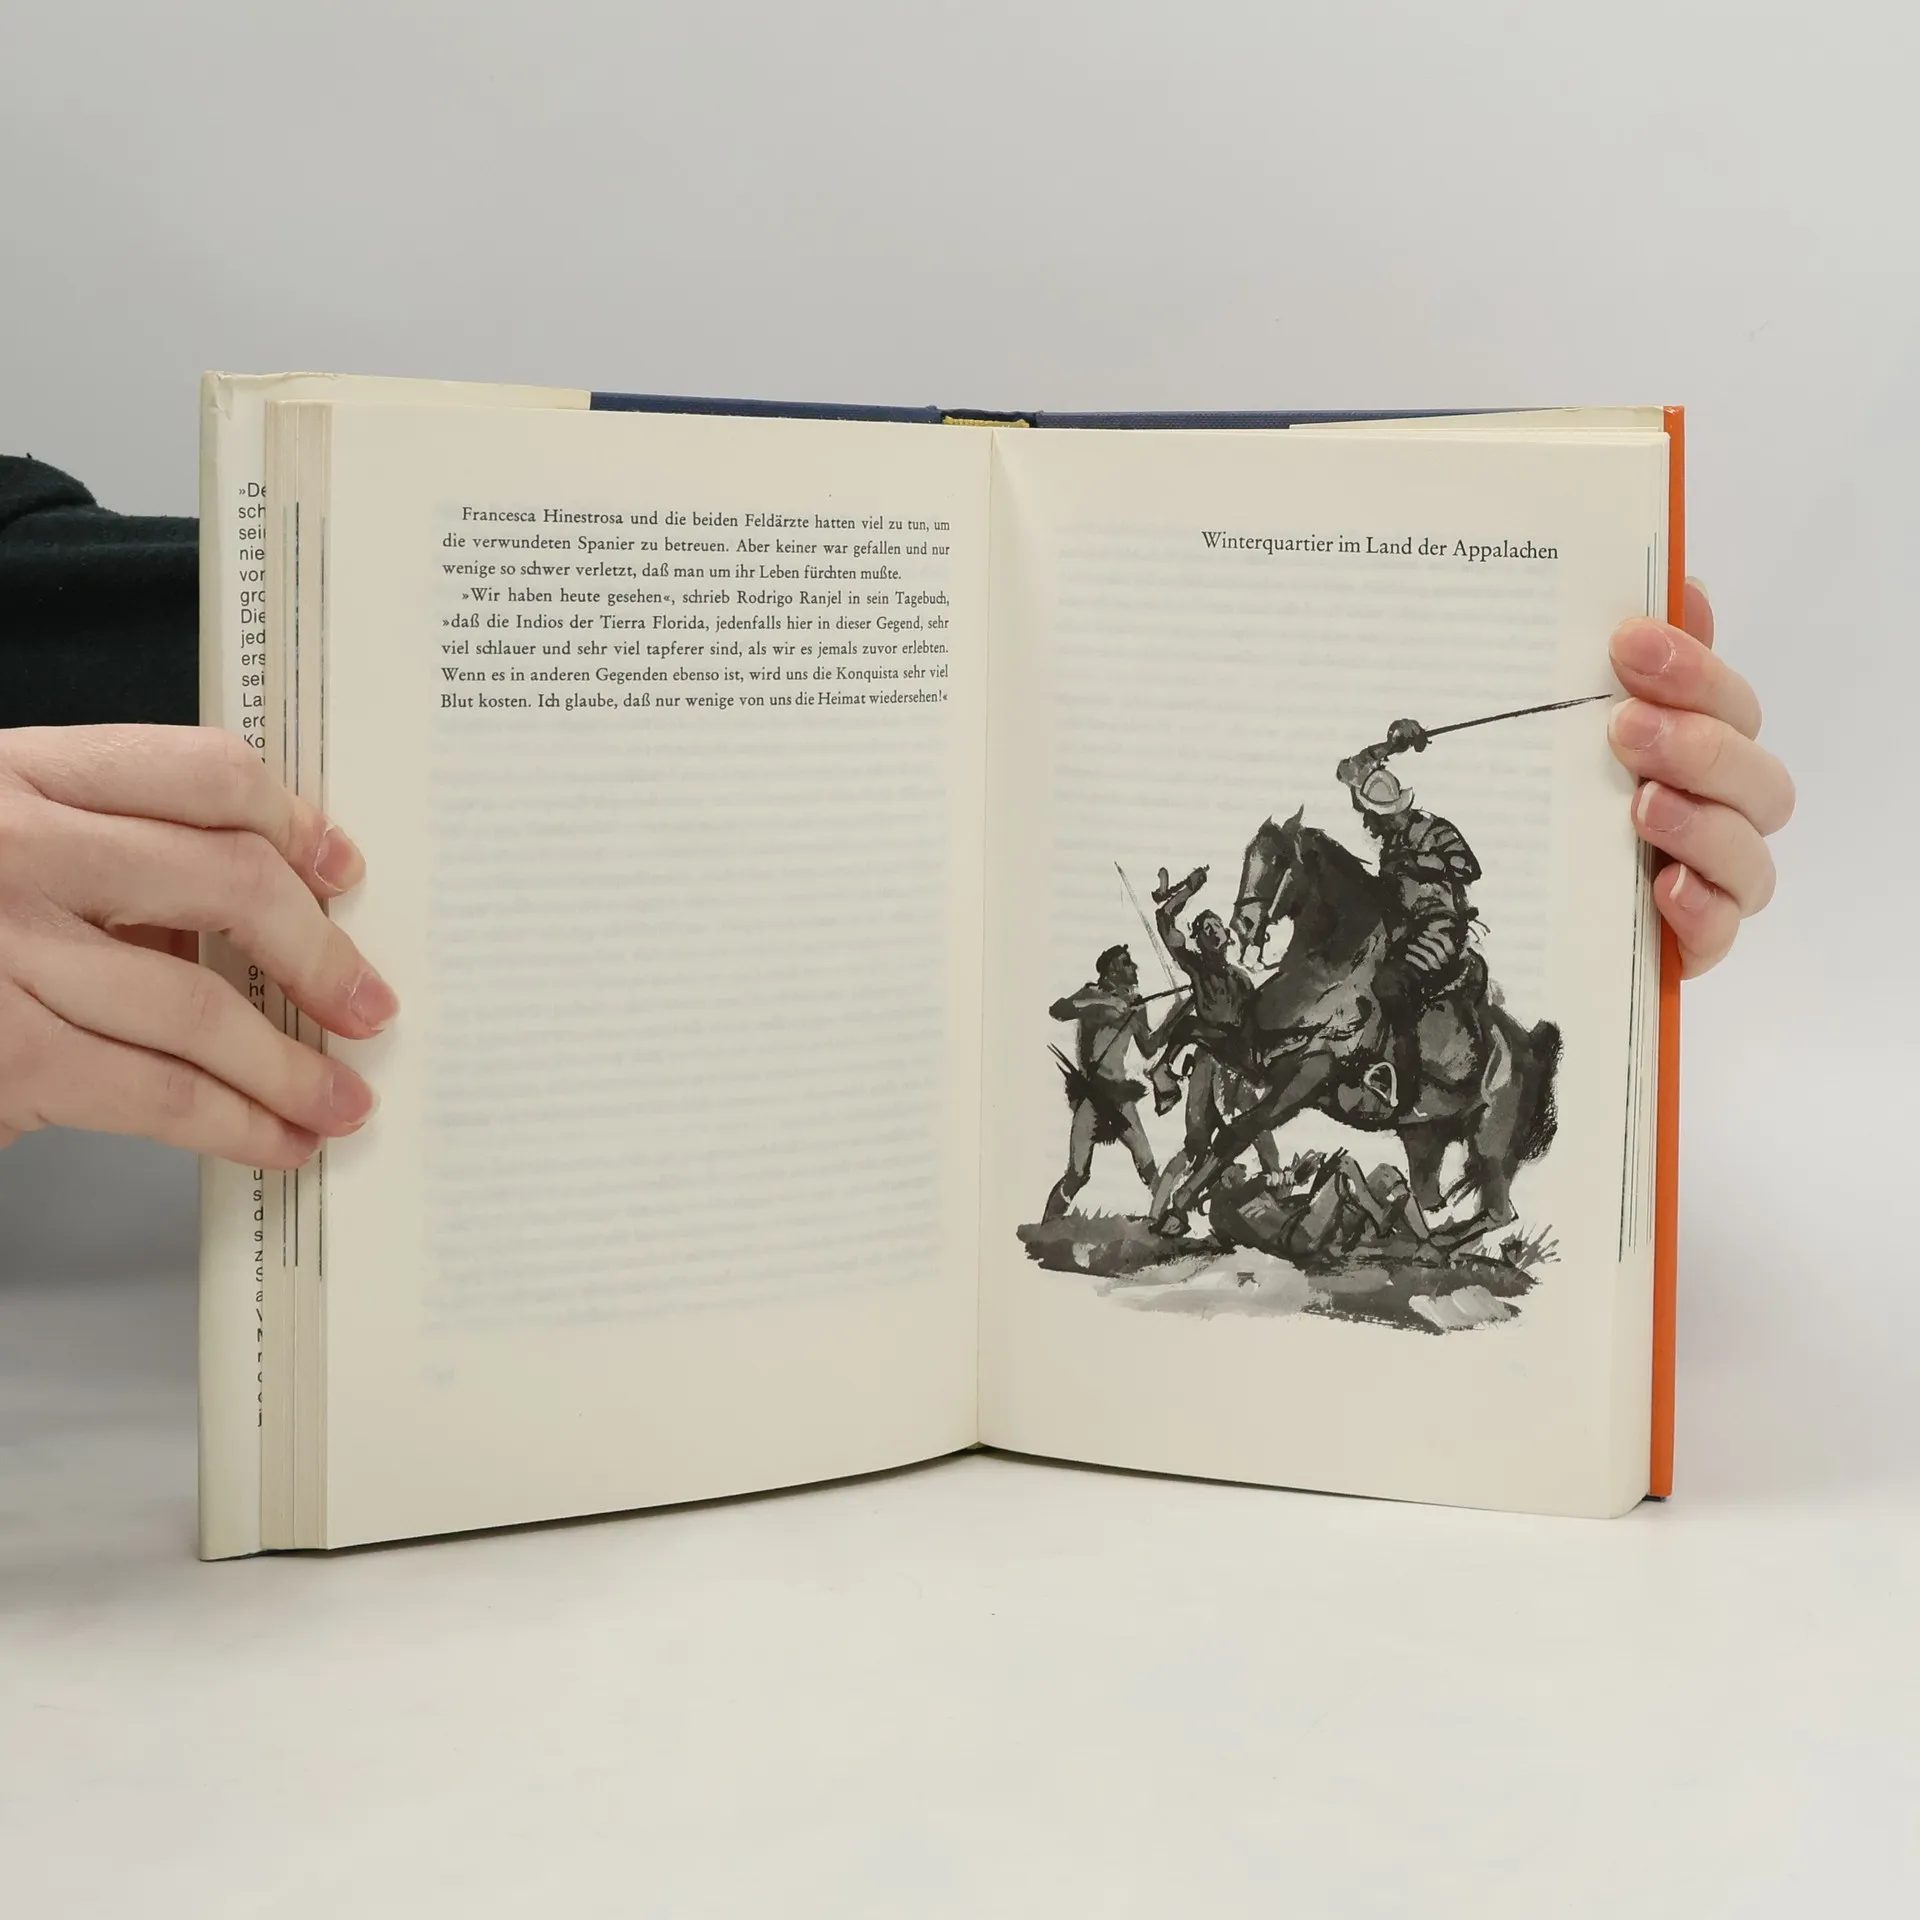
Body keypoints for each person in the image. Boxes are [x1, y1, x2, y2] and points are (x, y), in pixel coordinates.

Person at [0, 456, 1794, 1170]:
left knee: (1406, 973)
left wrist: (1596, 866)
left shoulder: (1420, 871)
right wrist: (1376, 762)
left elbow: (46, 592)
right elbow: (1367, 794)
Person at [1042, 944, 1169, 1219]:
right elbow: (1058, 1010)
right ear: (1111, 970)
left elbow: (1149, 1047)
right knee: (1077, 1174)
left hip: (1119, 1095)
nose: (1133, 967)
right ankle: (1048, 1224)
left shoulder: (1137, 1004)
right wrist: (1107, 1003)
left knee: (1147, 1164)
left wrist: (1174, 1017)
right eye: (1127, 962)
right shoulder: (1092, 994)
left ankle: (1167, 1220)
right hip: (1092, 1094)